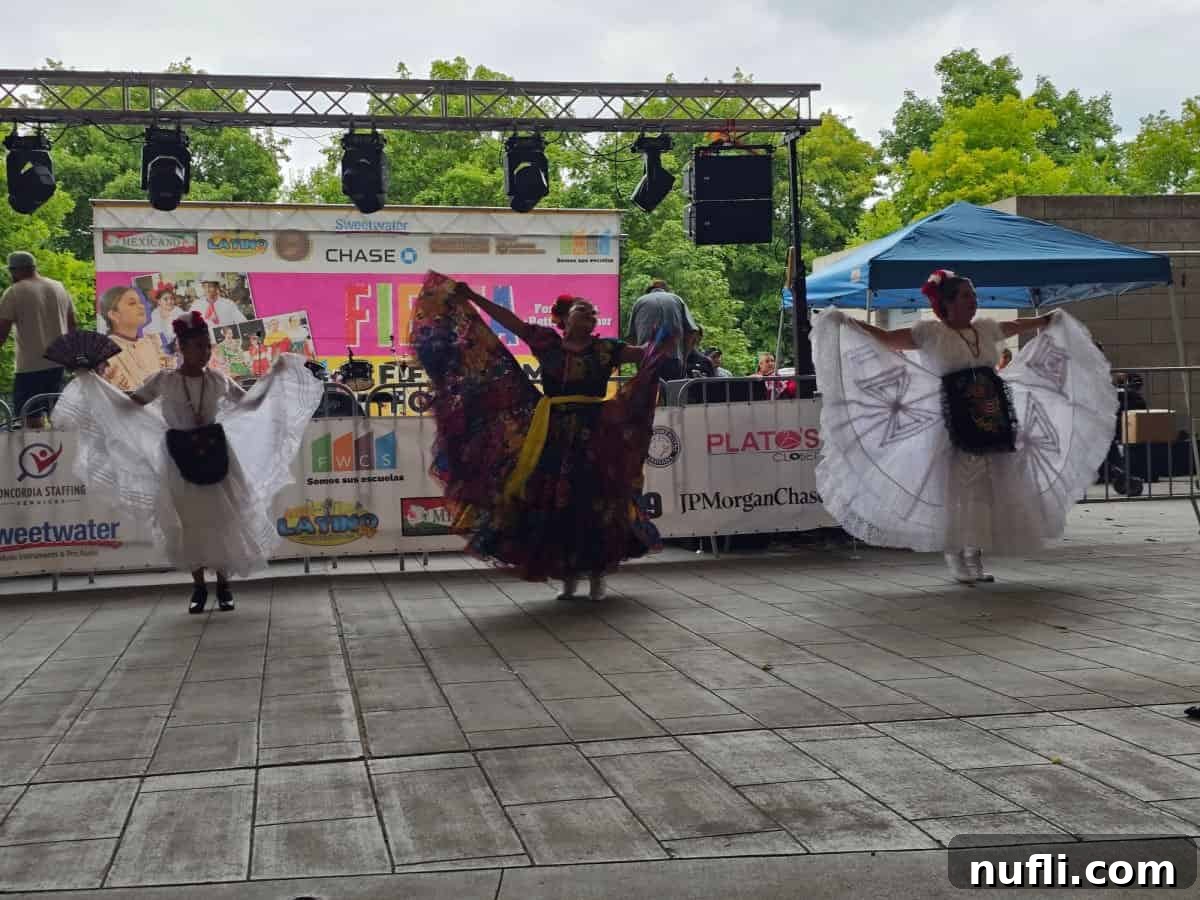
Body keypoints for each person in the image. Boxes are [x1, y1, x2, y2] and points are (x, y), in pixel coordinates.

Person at [813, 269, 1116, 583]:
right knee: (959, 488)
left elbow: (1013, 325)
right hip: (951, 421)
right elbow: (889, 339)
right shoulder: (930, 333)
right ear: (948, 303)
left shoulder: (984, 329)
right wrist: (847, 322)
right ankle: (956, 555)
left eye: (974, 296)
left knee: (987, 487)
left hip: (991, 414)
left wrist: (1045, 321)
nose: (973, 301)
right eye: (966, 296)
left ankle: (975, 554)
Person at [412, 272, 670, 601]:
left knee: (596, 503)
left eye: (592, 313)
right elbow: (509, 321)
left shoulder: (607, 349)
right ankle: (568, 579)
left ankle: (596, 577)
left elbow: (646, 354)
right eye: (582, 310)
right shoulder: (547, 342)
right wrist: (474, 298)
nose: (589, 315)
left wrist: (665, 339)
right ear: (565, 319)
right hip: (551, 433)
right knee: (555, 504)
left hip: (595, 435)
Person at [52, 311, 323, 613]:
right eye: (197, 346)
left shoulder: (218, 379)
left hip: (218, 455)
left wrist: (274, 376)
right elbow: (130, 405)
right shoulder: (163, 381)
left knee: (224, 519)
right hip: (178, 457)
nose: (205, 352)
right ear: (181, 347)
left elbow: (251, 403)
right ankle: (198, 588)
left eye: (207, 346)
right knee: (186, 522)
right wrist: (95, 382)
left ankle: (223, 586)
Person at [0, 251, 76, 427]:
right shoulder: (58, 287)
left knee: (30, 418)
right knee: (58, 418)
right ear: (34, 267)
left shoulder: (14, 292)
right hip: (58, 364)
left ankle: (35, 452)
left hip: (30, 367)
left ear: (14, 271)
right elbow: (72, 326)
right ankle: (64, 452)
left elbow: (1, 332)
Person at [99, 285, 168, 392]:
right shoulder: (105, 352)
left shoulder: (151, 342)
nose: (141, 306)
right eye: (132, 303)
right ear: (114, 314)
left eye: (140, 302)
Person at [628, 279, 695, 381]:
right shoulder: (677, 299)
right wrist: (684, 359)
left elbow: (632, 336)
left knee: (649, 395)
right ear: (666, 290)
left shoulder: (640, 301)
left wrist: (638, 365)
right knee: (672, 394)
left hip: (647, 359)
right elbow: (691, 332)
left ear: (649, 290)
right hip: (672, 359)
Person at [143, 283, 187, 350]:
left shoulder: (179, 312)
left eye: (171, 299)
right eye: (165, 299)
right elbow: (149, 329)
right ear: (159, 301)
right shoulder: (155, 313)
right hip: (159, 347)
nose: (169, 301)